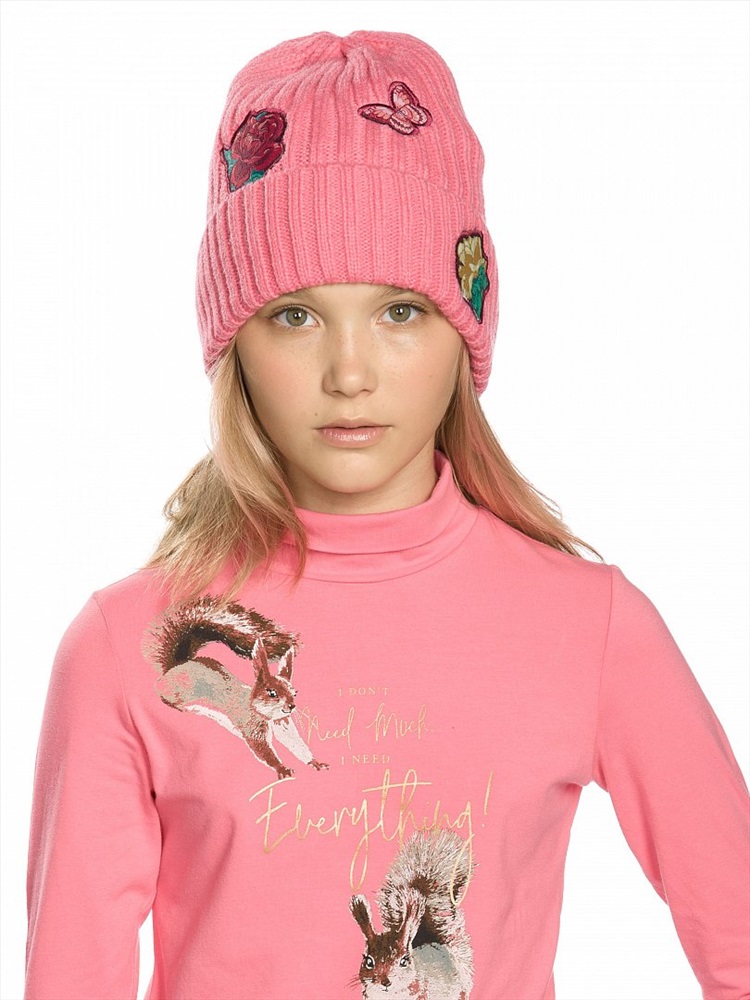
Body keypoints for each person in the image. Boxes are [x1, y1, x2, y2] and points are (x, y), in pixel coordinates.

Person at [23, 29, 749, 1000]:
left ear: (465, 327)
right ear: (235, 344)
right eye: (295, 315)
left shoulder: (591, 627)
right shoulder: (127, 648)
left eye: (401, 311)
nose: (350, 372)